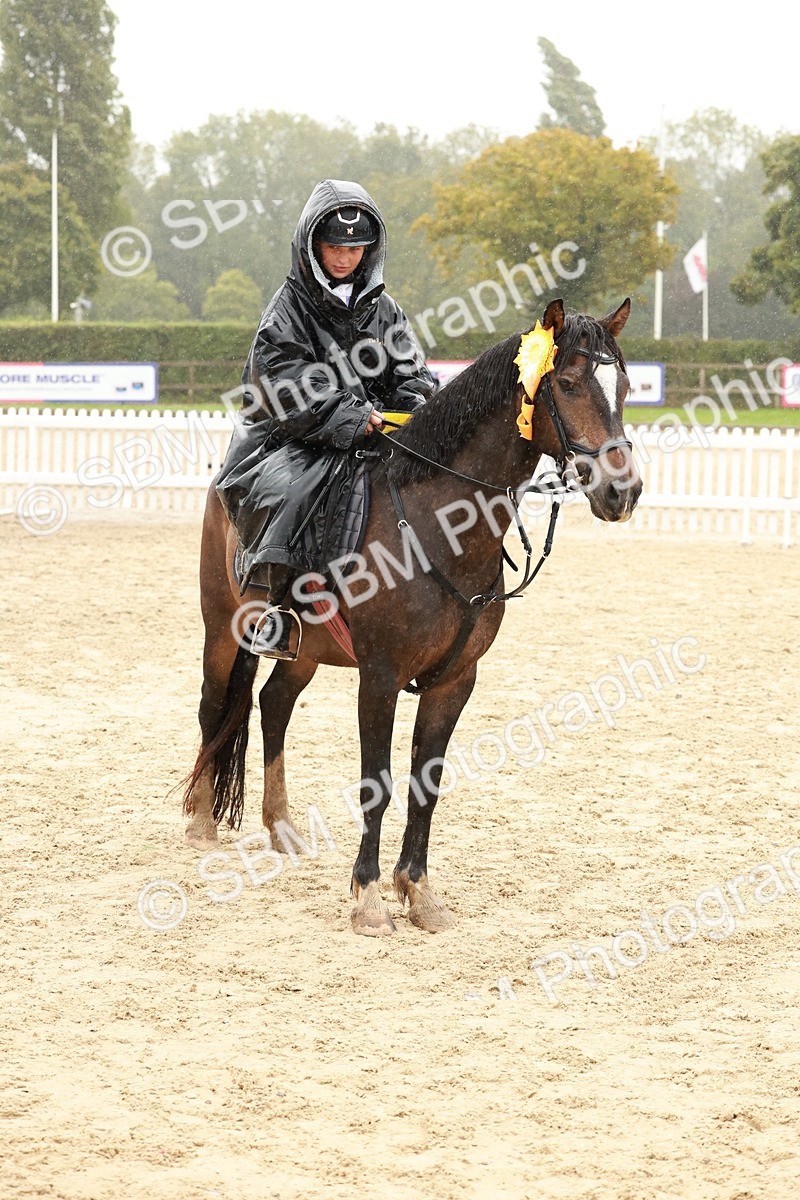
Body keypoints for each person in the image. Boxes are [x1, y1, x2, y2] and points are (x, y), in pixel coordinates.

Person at [215, 178, 436, 659]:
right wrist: (352, 414)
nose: (344, 258)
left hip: (370, 430)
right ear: (313, 245)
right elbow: (284, 383)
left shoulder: (385, 308)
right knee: (295, 491)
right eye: (335, 246)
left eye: (355, 248)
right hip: (285, 436)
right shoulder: (286, 309)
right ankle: (276, 611)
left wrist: (412, 409)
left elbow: (413, 371)